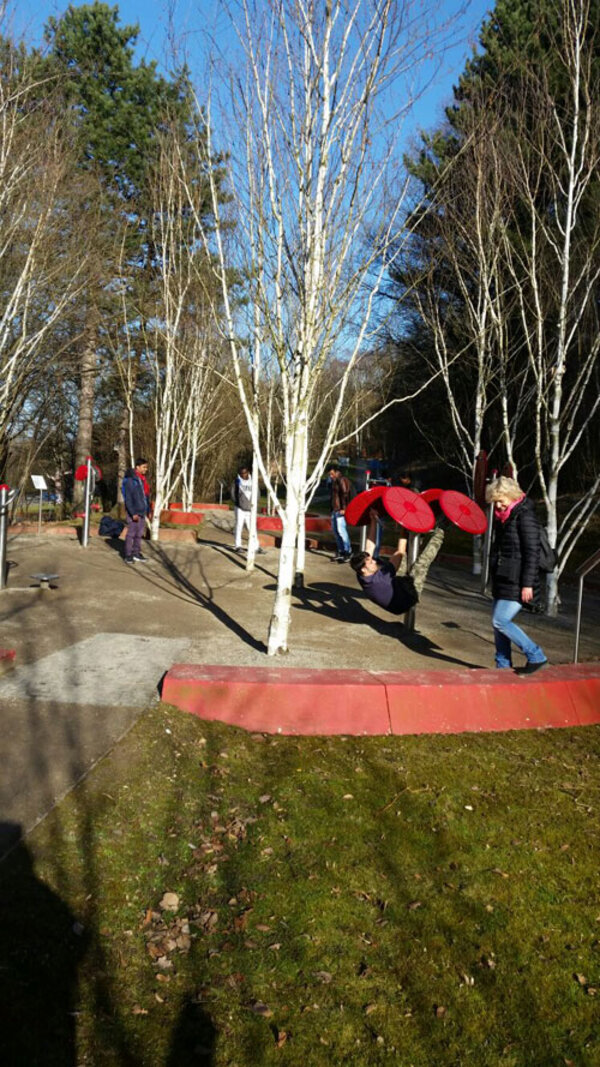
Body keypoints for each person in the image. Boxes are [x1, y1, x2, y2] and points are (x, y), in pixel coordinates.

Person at [485, 475, 548, 674]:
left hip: (519, 580)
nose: (498, 507)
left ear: (511, 496)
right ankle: (502, 665)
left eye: (500, 502)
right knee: (497, 624)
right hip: (504, 577)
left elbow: (532, 553)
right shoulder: (504, 518)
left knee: (500, 620)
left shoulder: (525, 516)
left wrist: (527, 584)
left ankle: (536, 654)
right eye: (495, 503)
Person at [350, 508, 445, 613]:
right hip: (407, 599)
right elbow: (400, 551)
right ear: (364, 569)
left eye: (371, 559)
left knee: (405, 557)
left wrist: (373, 520)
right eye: (371, 562)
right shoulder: (381, 579)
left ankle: (418, 533)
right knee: (421, 564)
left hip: (396, 588)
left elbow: (369, 547)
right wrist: (403, 525)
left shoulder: (361, 573)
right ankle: (441, 530)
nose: (374, 561)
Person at [230, 466, 266, 555]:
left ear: (248, 472)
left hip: (250, 509)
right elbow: (232, 493)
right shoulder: (236, 482)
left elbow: (257, 494)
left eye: (245, 473)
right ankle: (238, 546)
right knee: (239, 527)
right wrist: (238, 504)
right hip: (240, 509)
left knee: (252, 528)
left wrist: (253, 504)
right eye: (241, 473)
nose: (243, 475)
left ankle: (256, 547)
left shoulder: (253, 482)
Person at [122, 458, 151, 564]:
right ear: (137, 467)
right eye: (144, 467)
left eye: (146, 467)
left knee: (139, 534)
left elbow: (145, 496)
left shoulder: (142, 480)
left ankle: (136, 553)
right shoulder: (131, 480)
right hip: (134, 512)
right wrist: (133, 512)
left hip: (142, 511)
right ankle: (128, 554)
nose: (146, 469)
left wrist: (148, 510)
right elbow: (128, 498)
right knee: (131, 534)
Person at [328, 465, 353, 562]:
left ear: (337, 472)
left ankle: (348, 551)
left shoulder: (342, 480)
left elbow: (345, 494)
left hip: (340, 510)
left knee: (341, 530)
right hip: (335, 509)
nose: (330, 476)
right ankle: (341, 550)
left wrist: (344, 508)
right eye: (330, 474)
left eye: (332, 474)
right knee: (335, 531)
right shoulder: (334, 481)